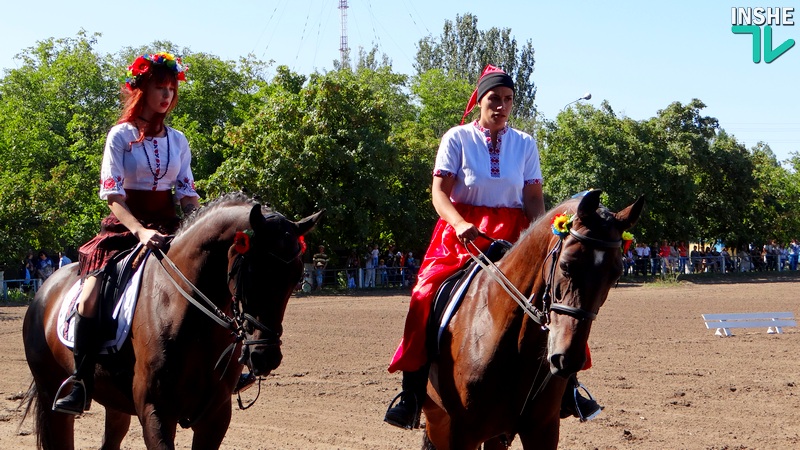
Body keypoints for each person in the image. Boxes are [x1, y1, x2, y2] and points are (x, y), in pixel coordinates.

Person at [383, 65, 601, 430]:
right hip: (462, 234)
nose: (501, 106)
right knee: (423, 295)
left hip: (518, 234)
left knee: (557, 295)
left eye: (508, 100)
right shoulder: (456, 138)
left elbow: (533, 198)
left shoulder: (525, 144)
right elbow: (439, 193)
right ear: (480, 101)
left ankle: (569, 387)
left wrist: (545, 236)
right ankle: (412, 392)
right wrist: (458, 223)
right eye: (494, 99)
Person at [52, 52, 200, 415]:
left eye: (171, 89)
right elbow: (113, 195)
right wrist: (139, 230)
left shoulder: (179, 140)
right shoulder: (120, 136)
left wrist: (197, 227)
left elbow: (187, 195)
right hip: (124, 228)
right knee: (89, 297)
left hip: (170, 229)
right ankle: (81, 382)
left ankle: (227, 367)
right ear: (142, 90)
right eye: (159, 88)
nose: (166, 96)